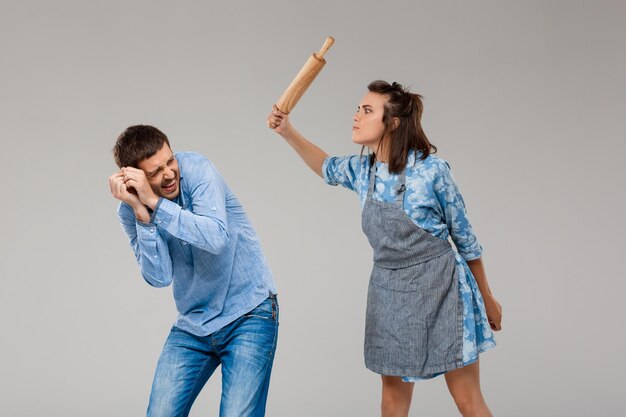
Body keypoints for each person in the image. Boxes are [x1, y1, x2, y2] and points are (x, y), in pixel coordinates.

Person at [267, 80, 502, 417]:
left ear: (392, 123)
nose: (355, 116)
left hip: (443, 292)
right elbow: (324, 165)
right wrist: (287, 131)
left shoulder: (431, 172)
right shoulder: (364, 171)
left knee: (467, 400)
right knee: (392, 403)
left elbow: (466, 240)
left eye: (366, 110)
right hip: (389, 294)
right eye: (358, 109)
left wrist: (487, 298)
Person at [108, 125, 278, 417]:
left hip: (248, 312)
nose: (170, 173)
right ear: (133, 176)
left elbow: (215, 238)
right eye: (154, 173)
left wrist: (154, 202)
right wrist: (142, 213)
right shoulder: (129, 211)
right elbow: (159, 277)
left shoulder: (197, 169)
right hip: (194, 323)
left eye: (169, 161)